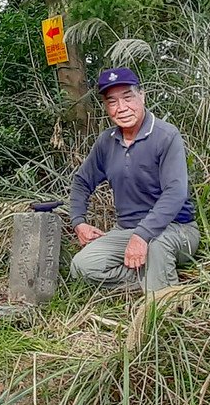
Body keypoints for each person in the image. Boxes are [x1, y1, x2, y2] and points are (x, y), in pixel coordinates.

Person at [69, 67, 200, 292]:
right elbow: (82, 182)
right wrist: (78, 222)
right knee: (81, 267)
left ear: (142, 95)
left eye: (127, 98)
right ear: (106, 106)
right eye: (112, 102)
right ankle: (155, 277)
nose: (121, 108)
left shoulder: (166, 136)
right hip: (126, 230)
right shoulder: (106, 142)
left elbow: (175, 192)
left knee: (157, 245)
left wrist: (142, 235)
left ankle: (162, 304)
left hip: (176, 228)